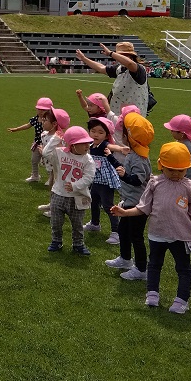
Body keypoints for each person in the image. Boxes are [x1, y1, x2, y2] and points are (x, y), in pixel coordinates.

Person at [112, 142, 191, 313]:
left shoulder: (189, 186)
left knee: (183, 269)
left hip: (180, 235)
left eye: (181, 170)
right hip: (157, 234)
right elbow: (143, 207)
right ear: (161, 166)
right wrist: (125, 212)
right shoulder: (155, 183)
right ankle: (152, 294)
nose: (176, 174)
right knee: (154, 265)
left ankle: (181, 300)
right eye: (171, 170)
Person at [104, 112, 155, 280]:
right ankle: (125, 259)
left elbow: (136, 180)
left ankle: (142, 269)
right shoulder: (133, 155)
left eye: (124, 134)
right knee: (123, 231)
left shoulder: (139, 159)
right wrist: (111, 158)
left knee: (136, 236)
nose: (121, 136)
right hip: (129, 202)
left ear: (130, 138)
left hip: (137, 205)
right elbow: (124, 171)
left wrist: (125, 176)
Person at [45, 126, 96, 256]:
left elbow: (89, 177)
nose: (87, 146)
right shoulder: (60, 153)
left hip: (77, 197)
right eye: (83, 144)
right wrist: (55, 139)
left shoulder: (88, 159)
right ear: (72, 145)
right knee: (56, 221)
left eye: (87, 143)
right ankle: (56, 241)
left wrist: (75, 185)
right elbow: (46, 153)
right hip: (58, 194)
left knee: (77, 224)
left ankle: (78, 244)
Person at [74, 41, 149, 115]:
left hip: (134, 118)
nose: (118, 58)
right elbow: (101, 68)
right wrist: (84, 58)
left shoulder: (139, 69)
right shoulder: (120, 69)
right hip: (118, 116)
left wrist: (111, 53)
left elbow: (129, 63)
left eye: (122, 55)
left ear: (131, 56)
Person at [85, 117, 123, 245]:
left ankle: (116, 232)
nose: (96, 134)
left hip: (106, 182)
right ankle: (95, 223)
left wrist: (121, 149)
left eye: (100, 132)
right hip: (95, 180)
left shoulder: (104, 146)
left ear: (106, 135)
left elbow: (113, 146)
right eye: (93, 131)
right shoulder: (90, 145)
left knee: (108, 205)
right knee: (93, 202)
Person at [7, 96, 53, 184]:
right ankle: (35, 176)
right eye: (39, 109)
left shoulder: (50, 121)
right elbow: (27, 125)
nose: (40, 112)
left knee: (49, 163)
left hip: (47, 145)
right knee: (34, 160)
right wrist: (16, 129)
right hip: (37, 144)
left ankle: (51, 179)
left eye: (43, 110)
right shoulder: (35, 119)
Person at [163, 114, 191, 182]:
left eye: (172, 130)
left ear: (181, 133)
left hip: (187, 177)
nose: (171, 132)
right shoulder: (180, 141)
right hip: (180, 175)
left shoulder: (187, 144)